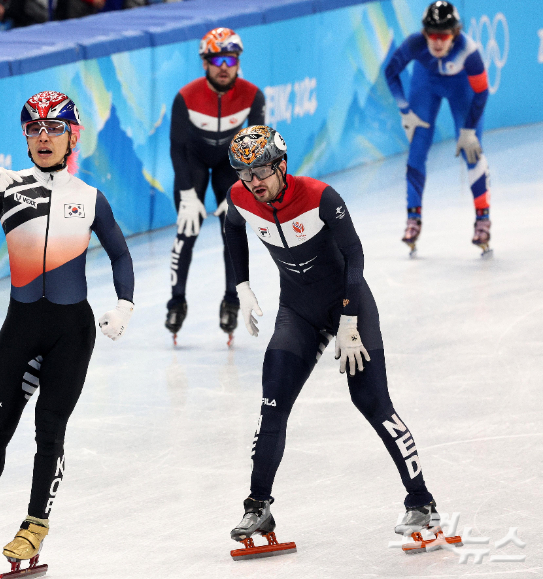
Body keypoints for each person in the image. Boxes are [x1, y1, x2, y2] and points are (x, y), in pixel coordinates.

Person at [223, 125, 444, 549]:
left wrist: (349, 321)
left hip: (349, 304)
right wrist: (243, 287)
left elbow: (355, 256)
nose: (253, 183)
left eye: (260, 172)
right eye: (244, 174)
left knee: (373, 402)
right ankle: (258, 505)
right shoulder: (241, 198)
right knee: (273, 403)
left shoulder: (319, 196)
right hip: (297, 312)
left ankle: (422, 501)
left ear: (282, 166)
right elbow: (233, 228)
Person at [0, 91, 135, 575]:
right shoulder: (8, 189)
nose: (43, 137)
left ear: (73, 135)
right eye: (34, 129)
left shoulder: (89, 198)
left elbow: (120, 254)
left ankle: (35, 524)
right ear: (25, 136)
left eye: (53, 128)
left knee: (49, 430)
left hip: (71, 331)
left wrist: (125, 305)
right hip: (20, 326)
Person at [165, 27, 265, 342]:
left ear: (238, 63)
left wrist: (242, 189)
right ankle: (176, 301)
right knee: (187, 229)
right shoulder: (185, 96)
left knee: (231, 230)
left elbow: (256, 149)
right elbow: (177, 148)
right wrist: (186, 195)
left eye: (230, 59)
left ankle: (231, 301)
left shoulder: (252, 95)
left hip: (229, 165)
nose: (224, 67)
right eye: (218, 59)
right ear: (205, 63)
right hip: (192, 163)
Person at [385, 1, 492, 256]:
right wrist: (404, 109)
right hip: (427, 84)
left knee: (472, 151)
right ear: (424, 34)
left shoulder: (469, 51)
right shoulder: (414, 44)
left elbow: (482, 91)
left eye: (443, 35)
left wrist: (468, 129)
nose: (437, 41)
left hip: (461, 87)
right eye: (432, 35)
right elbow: (390, 72)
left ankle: (483, 220)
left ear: (454, 34)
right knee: (417, 150)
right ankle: (413, 219)